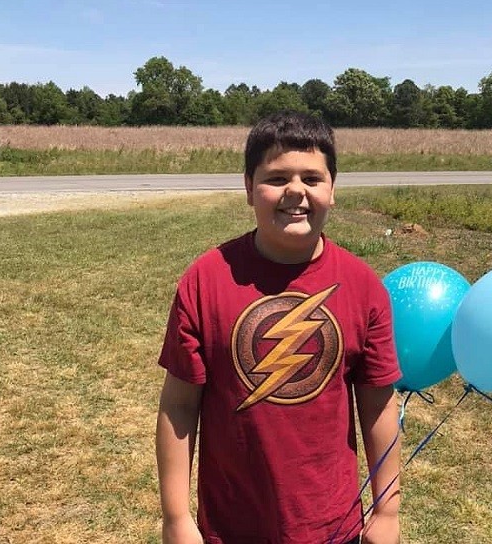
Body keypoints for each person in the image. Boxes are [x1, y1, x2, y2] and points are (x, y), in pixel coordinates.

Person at [156, 110, 402, 544]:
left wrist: (388, 510)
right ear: (249, 188)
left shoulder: (364, 287)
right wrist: (176, 518)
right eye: (276, 178)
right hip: (231, 526)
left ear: (333, 190)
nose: (296, 191)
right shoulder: (205, 279)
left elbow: (379, 405)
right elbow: (179, 405)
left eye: (312, 177)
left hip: (332, 526)